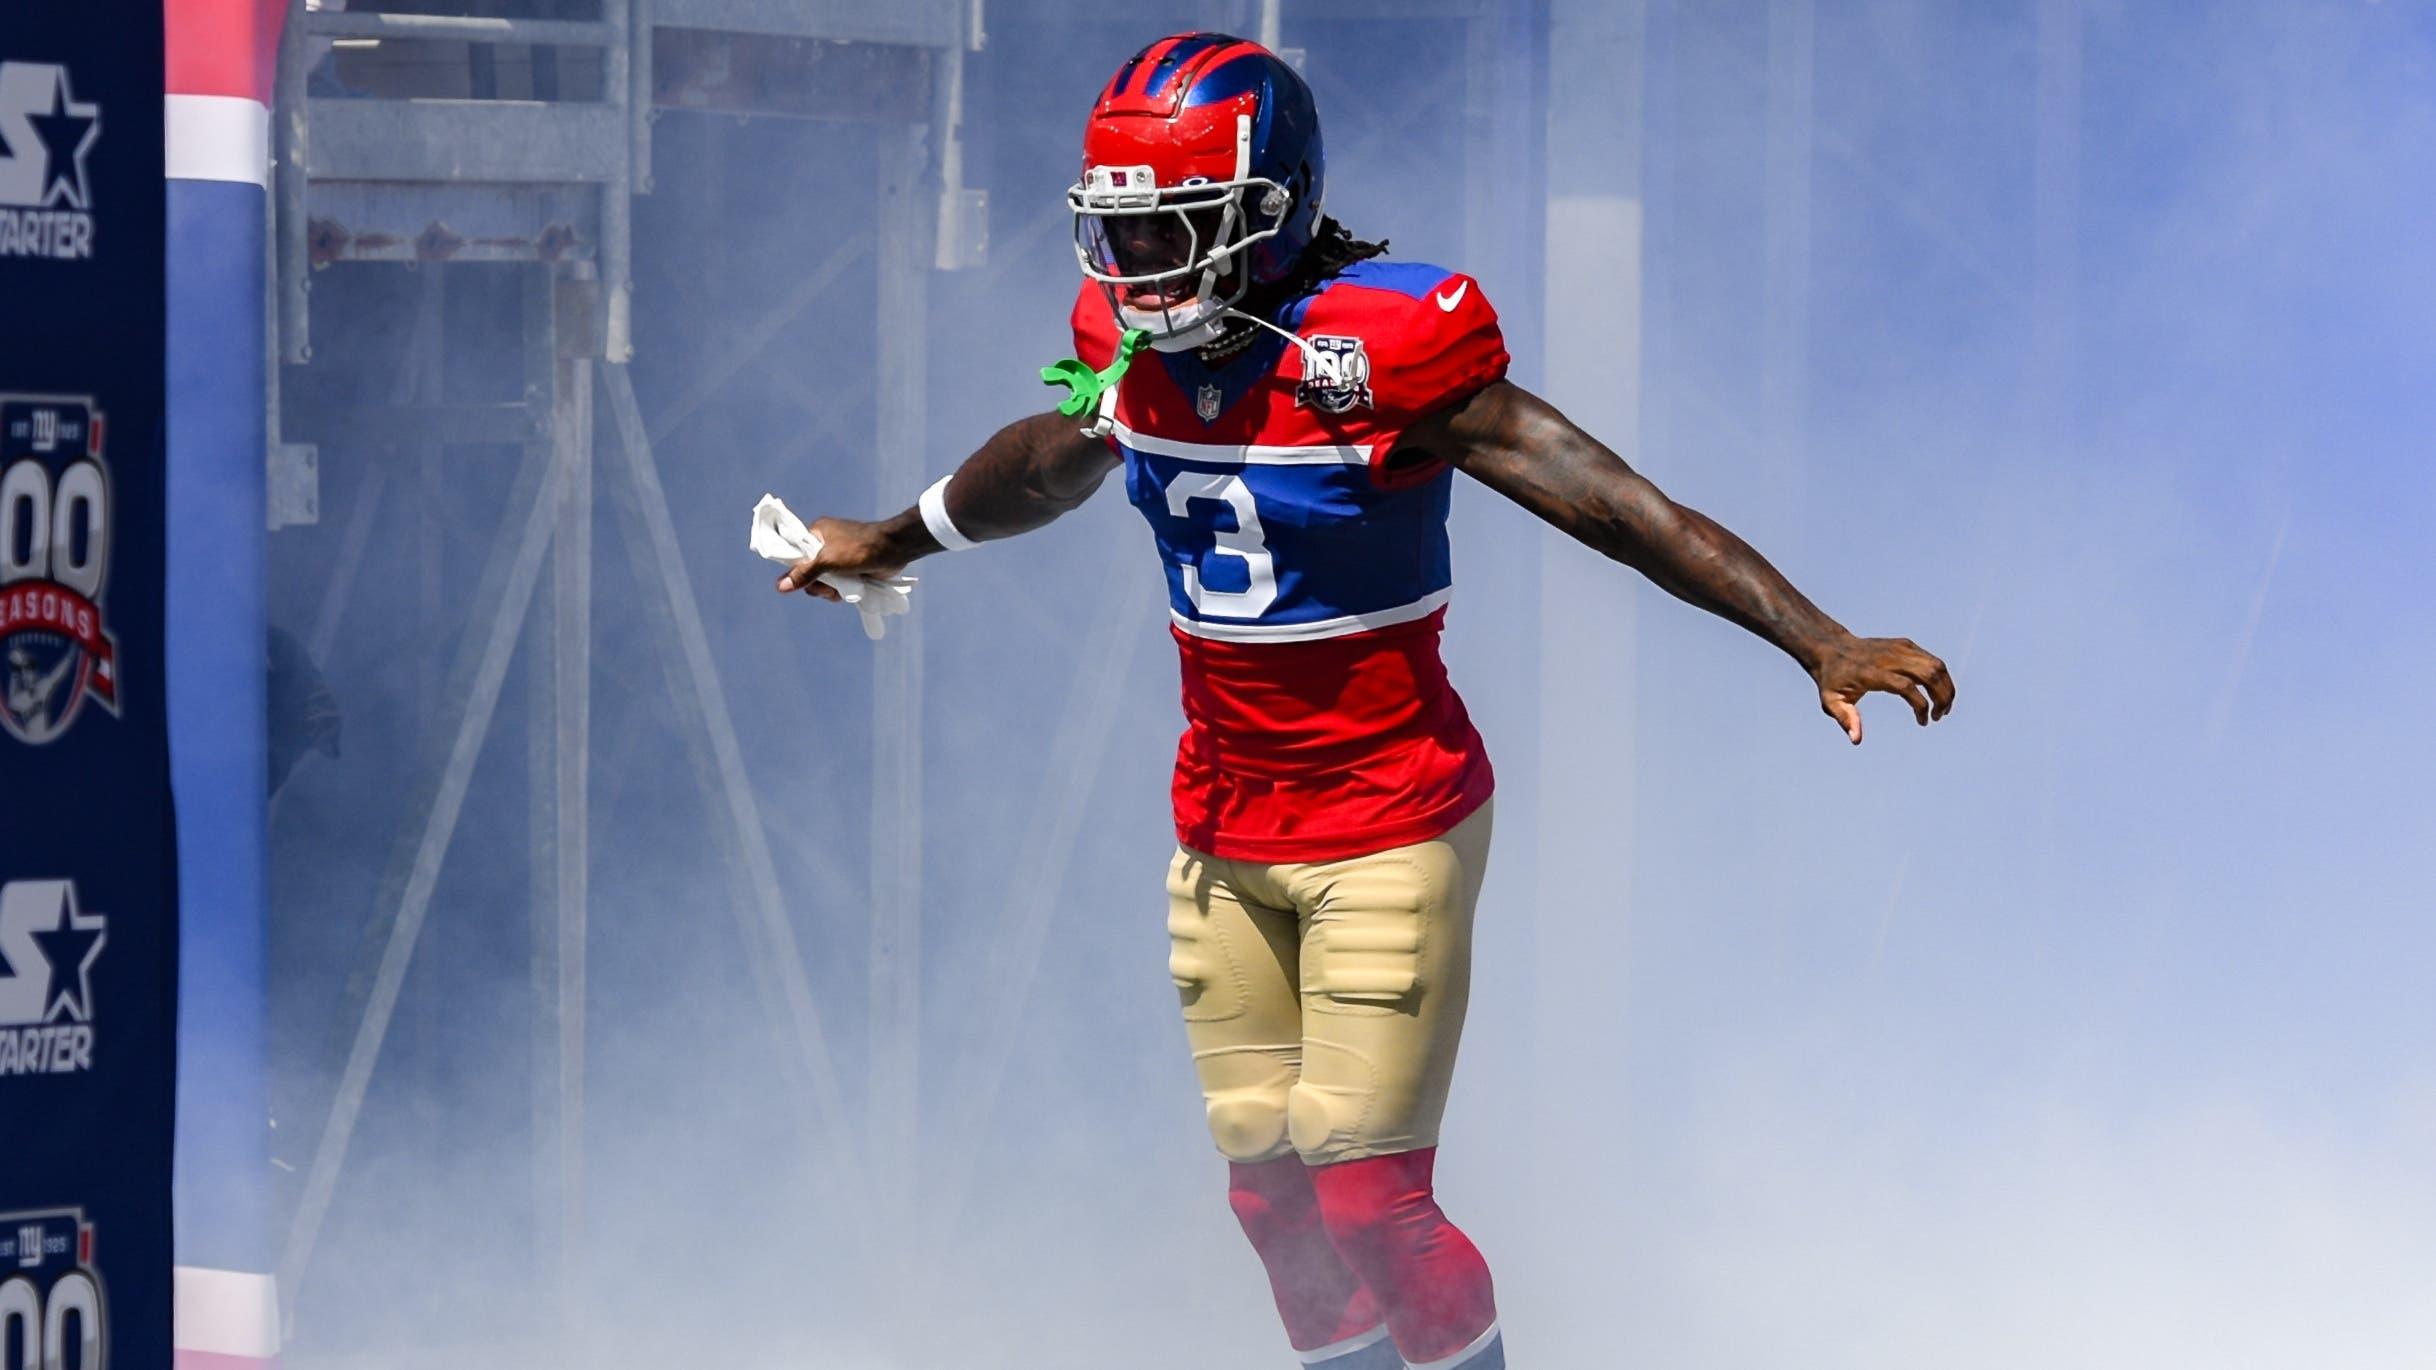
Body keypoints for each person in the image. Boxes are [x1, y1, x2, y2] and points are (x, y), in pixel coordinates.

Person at [777, 32, 1954, 1370]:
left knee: (1366, 1193)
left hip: (1387, 815)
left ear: (1266, 215)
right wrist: (894, 533)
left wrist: (1816, 638)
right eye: (1125, 235)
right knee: (1267, 1193)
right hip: (1224, 822)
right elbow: (1056, 456)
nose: (1138, 271)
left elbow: (1616, 504)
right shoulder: (1129, 339)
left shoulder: (1381, 345)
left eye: (1175, 233)